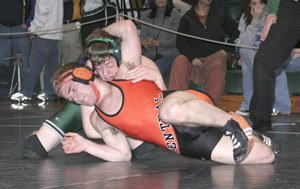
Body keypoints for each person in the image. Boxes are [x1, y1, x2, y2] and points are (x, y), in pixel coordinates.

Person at [54, 60, 275, 165]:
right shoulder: (99, 119)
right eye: (69, 97)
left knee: (169, 111)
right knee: (266, 156)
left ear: (84, 74)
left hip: (188, 105)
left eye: (73, 90)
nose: (74, 98)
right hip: (184, 142)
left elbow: (128, 28)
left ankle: (232, 122)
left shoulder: (126, 73)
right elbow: (122, 155)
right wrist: (86, 145)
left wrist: (151, 71)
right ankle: (246, 130)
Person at [21, 20, 166, 159]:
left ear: (119, 57)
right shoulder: (91, 70)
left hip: (128, 116)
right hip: (97, 106)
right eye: (99, 67)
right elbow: (90, 129)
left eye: (109, 65)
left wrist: (156, 77)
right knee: (33, 149)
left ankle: (118, 136)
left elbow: (164, 109)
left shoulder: (135, 66)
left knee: (144, 150)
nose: (105, 73)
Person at [168, 0, 239, 104]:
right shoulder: (187, 17)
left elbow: (236, 32)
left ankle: (209, 105)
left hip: (215, 56)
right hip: (195, 58)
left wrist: (225, 50)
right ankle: (172, 102)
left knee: (218, 65)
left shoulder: (220, 13)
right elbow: (180, 41)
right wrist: (192, 58)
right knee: (180, 60)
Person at [249, 0, 300, 131]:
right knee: (264, 62)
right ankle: (260, 117)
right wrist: (271, 11)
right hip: (290, 7)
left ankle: (260, 117)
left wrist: (272, 11)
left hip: (290, 8)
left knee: (263, 63)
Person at [236, 0, 291, 116]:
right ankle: (249, 105)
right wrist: (255, 20)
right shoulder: (246, 17)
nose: (255, 7)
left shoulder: (275, 16)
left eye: (258, 3)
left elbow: (280, 43)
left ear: (266, 4)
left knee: (270, 61)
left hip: (281, 55)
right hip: (254, 55)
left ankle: (282, 106)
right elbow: (245, 44)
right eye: (252, 3)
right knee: (246, 60)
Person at [10, 0, 64, 102]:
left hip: (44, 34)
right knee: (52, 66)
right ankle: (49, 93)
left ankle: (26, 92)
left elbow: (42, 14)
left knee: (34, 65)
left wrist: (32, 29)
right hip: (55, 33)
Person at [140, 0, 181, 75]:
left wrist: (156, 43)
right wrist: (145, 43)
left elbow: (174, 42)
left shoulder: (175, 15)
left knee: (152, 70)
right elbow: (142, 37)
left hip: (169, 54)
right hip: (149, 54)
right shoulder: (145, 15)